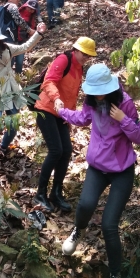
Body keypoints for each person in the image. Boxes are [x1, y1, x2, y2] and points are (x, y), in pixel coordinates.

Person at [57, 63, 140, 278]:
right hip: (97, 167)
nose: (97, 96)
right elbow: (83, 118)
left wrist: (123, 119)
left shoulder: (125, 103)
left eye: (101, 91)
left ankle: (115, 277)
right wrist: (62, 112)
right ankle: (78, 230)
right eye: (93, 92)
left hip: (122, 171)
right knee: (85, 205)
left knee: (109, 225)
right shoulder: (91, 102)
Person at [32, 37, 97, 212]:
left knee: (66, 150)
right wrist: (56, 98)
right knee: (56, 151)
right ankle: (40, 194)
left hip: (61, 113)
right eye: (84, 54)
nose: (86, 58)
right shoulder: (63, 60)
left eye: (89, 56)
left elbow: (72, 94)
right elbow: (48, 81)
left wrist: (69, 118)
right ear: (76, 50)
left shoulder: (79, 67)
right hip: (46, 109)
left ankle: (56, 192)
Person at [0, 20, 47, 168]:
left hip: (11, 89)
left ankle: (4, 146)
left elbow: (25, 47)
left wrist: (38, 33)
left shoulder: (7, 48)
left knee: (14, 124)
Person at [13, 0, 42, 73]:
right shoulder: (17, 13)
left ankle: (18, 77)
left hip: (22, 42)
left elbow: (32, 31)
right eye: (29, 8)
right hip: (12, 41)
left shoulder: (31, 18)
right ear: (26, 6)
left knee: (19, 62)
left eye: (32, 9)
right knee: (10, 62)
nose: (30, 10)